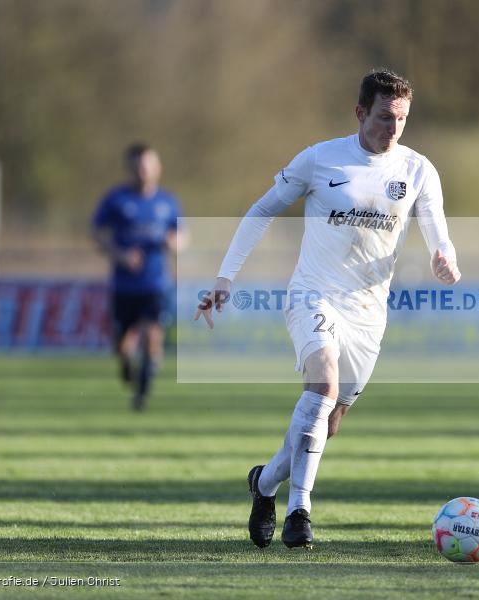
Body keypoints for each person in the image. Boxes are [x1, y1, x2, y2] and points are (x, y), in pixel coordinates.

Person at [195, 69, 461, 548]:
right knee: (322, 384)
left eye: (401, 118)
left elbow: (437, 227)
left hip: (368, 313)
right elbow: (261, 211)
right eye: (384, 116)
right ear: (360, 112)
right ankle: (301, 510)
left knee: (327, 421)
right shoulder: (320, 159)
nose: (393, 127)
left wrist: (446, 256)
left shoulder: (419, 169)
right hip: (312, 295)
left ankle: (264, 484)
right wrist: (224, 276)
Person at [92, 143, 185, 411]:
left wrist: (174, 242)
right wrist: (119, 254)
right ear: (130, 168)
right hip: (124, 284)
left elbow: (182, 236)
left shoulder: (168, 202)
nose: (142, 171)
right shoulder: (116, 200)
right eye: (137, 166)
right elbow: (97, 233)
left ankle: (144, 387)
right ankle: (127, 365)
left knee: (153, 332)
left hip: (156, 283)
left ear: (157, 168)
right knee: (123, 343)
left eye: (147, 165)